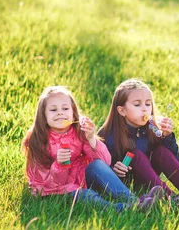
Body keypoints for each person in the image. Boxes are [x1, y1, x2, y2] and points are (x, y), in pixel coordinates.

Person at [22, 86, 164, 212]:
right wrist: (59, 165)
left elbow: (105, 162)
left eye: (65, 109)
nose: (60, 113)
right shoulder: (38, 140)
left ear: (73, 113)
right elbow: (49, 183)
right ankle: (126, 209)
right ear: (43, 115)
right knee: (87, 195)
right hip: (52, 190)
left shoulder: (78, 131)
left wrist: (91, 139)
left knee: (97, 165)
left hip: (78, 179)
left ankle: (136, 201)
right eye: (53, 110)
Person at [98, 79, 179, 207]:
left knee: (161, 151)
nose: (144, 110)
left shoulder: (153, 127)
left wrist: (167, 137)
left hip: (151, 179)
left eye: (148, 104)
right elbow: (99, 169)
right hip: (128, 183)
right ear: (121, 110)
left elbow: (173, 163)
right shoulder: (109, 135)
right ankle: (172, 199)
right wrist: (114, 169)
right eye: (137, 105)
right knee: (136, 155)